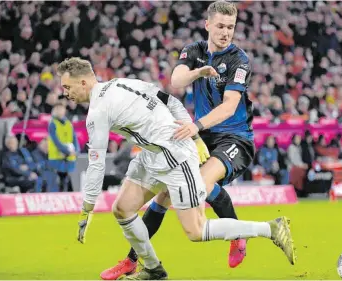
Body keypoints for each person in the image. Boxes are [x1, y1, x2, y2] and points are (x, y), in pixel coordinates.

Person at [57, 58, 296, 280]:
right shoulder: (121, 83)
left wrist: (86, 209)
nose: (65, 93)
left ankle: (271, 228)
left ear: (84, 82)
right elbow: (170, 101)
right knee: (122, 208)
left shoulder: (97, 113)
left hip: (174, 156)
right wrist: (194, 133)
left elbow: (96, 165)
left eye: (67, 87)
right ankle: (152, 268)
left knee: (196, 231)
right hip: (152, 154)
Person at [102, 1, 260, 278]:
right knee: (165, 193)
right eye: (221, 26)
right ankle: (132, 260)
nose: (226, 32)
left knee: (199, 182)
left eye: (231, 27)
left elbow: (229, 106)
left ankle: (236, 234)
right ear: (208, 24)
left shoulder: (239, 61)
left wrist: (195, 125)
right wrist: (198, 72)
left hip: (234, 138)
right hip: (201, 136)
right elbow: (176, 81)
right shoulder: (194, 51)